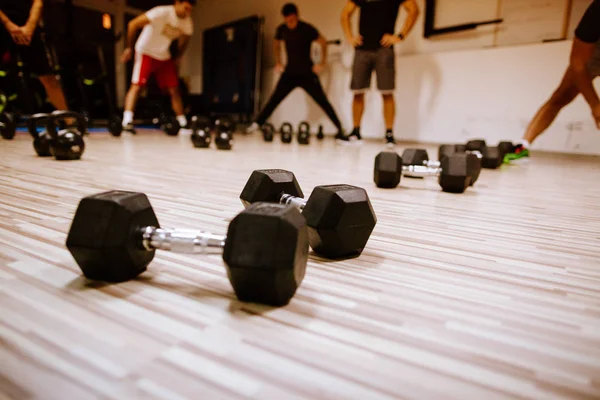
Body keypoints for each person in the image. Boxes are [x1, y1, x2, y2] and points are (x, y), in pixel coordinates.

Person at [505, 0, 600, 161]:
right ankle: (523, 145)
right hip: (595, 51)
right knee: (561, 96)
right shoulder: (597, 10)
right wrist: (595, 105)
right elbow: (577, 63)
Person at [247, 3, 345, 138]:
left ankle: (340, 129)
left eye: (292, 19)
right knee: (274, 99)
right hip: (289, 73)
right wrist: (279, 62)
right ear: (284, 18)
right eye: (287, 20)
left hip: (307, 73)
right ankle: (257, 123)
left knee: (323, 101)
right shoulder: (282, 29)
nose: (290, 22)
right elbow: (276, 44)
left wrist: (321, 63)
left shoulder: (306, 29)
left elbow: (323, 42)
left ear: (296, 16)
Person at [340, 0, 419, 146]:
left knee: (387, 91)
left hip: (384, 49)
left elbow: (414, 9)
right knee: (358, 90)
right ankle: (356, 132)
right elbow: (345, 14)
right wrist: (350, 37)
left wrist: (400, 36)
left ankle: (389, 134)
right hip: (362, 49)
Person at [120, 0, 194, 134]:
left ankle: (182, 123)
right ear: (177, 2)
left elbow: (186, 38)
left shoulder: (187, 22)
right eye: (185, 8)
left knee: (174, 89)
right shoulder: (161, 12)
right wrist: (129, 48)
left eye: (190, 10)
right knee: (137, 86)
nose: (187, 12)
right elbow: (133, 24)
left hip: (164, 55)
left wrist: (178, 57)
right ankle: (127, 121)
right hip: (146, 51)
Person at [0, 0, 69, 113]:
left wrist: (30, 27)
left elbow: (38, 1)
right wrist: (9, 25)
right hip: (3, 24)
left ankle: (69, 122)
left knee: (47, 75)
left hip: (27, 27)